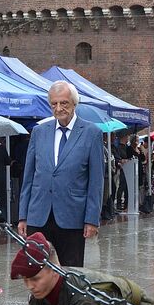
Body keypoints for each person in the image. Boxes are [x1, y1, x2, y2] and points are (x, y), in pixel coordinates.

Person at [11, 232, 154, 305]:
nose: (30, 286)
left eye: (36, 279)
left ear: (56, 270)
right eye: (26, 280)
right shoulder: (39, 292)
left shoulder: (83, 293)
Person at [18, 81, 104, 268]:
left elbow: (96, 181)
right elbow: (29, 177)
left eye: (64, 103)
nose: (59, 108)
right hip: (39, 214)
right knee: (36, 269)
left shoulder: (92, 133)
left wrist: (92, 219)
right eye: (54, 104)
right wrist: (23, 215)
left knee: (71, 273)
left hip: (72, 216)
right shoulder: (39, 132)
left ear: (75, 103)